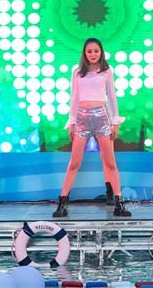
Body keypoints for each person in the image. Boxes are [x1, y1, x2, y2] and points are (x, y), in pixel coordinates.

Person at [52, 38, 131, 218]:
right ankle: (62, 203)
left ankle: (119, 203)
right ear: (84, 53)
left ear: (101, 52)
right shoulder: (77, 72)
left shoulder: (106, 71)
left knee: (110, 162)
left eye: (96, 51)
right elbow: (74, 97)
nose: (93, 54)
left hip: (102, 118)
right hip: (82, 118)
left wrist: (115, 122)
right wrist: (72, 122)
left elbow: (112, 97)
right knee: (74, 162)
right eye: (89, 51)